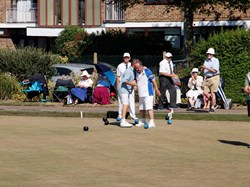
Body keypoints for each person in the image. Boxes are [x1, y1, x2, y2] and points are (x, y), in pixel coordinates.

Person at [134, 59, 161, 128]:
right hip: (141, 93)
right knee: (142, 108)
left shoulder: (147, 71)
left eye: (139, 68)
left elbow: (153, 81)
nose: (138, 69)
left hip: (148, 93)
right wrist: (135, 86)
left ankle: (152, 122)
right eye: (136, 68)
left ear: (141, 66)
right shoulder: (136, 72)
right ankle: (143, 121)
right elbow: (136, 81)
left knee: (149, 108)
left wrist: (157, 90)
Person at [117, 60, 142, 127]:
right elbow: (124, 81)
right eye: (138, 65)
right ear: (134, 64)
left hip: (125, 90)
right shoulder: (129, 71)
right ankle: (122, 122)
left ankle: (123, 120)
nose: (139, 67)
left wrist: (133, 84)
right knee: (125, 105)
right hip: (123, 89)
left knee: (126, 104)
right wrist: (133, 84)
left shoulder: (132, 70)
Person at [116, 52, 137, 122]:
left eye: (127, 57)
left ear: (130, 58)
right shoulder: (120, 66)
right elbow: (118, 77)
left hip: (130, 86)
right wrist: (117, 87)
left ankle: (133, 115)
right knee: (122, 101)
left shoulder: (132, 65)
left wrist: (134, 85)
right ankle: (120, 115)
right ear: (123, 58)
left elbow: (135, 76)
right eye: (125, 57)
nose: (126, 59)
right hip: (122, 86)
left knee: (131, 100)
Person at [201, 48, 220, 113]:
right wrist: (203, 69)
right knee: (205, 93)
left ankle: (212, 107)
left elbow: (214, 70)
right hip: (207, 78)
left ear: (212, 54)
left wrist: (206, 68)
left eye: (210, 54)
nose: (208, 55)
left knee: (212, 92)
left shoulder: (216, 60)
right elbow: (204, 70)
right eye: (208, 54)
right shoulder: (206, 60)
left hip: (214, 77)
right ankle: (214, 103)